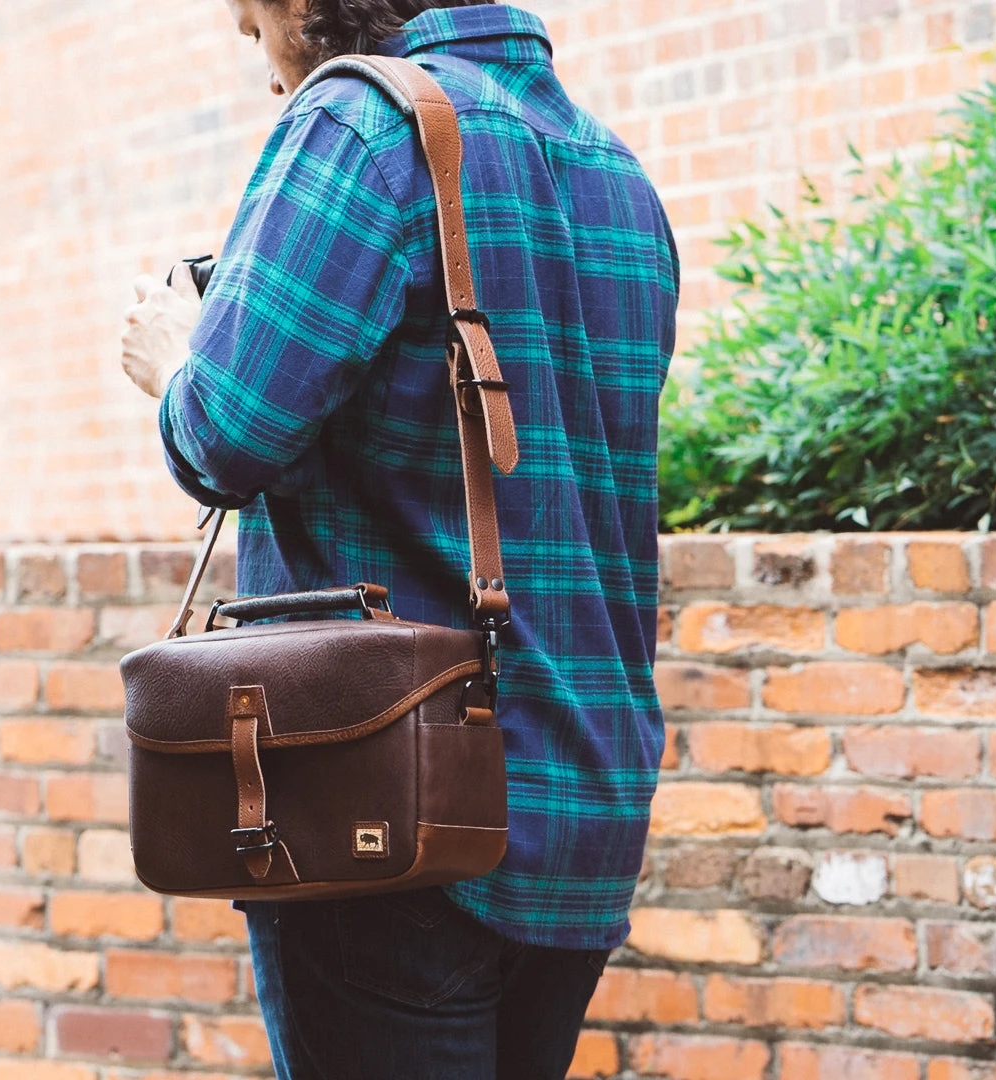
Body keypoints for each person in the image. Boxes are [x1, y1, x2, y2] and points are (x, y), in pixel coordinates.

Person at [121, 1, 679, 1077]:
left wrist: (175, 361)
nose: (270, 76)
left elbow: (224, 437)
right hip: (584, 802)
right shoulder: (620, 177)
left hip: (388, 798)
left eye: (255, 35)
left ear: (304, 5)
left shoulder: (361, 125)